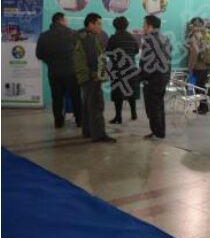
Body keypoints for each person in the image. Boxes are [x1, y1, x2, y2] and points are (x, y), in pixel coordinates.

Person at [74, 13, 115, 143]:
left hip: (86, 77)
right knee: (97, 106)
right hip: (92, 77)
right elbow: (94, 60)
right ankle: (99, 135)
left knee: (88, 106)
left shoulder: (82, 36)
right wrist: (99, 75)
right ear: (91, 24)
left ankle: (88, 132)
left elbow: (98, 57)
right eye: (98, 24)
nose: (100, 27)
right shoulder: (89, 38)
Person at [36, 12, 82, 129]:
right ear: (61, 20)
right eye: (65, 20)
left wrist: (50, 62)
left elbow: (39, 54)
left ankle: (58, 122)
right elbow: (79, 52)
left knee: (57, 98)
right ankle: (79, 120)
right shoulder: (72, 33)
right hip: (71, 72)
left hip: (54, 72)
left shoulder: (44, 36)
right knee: (75, 97)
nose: (67, 22)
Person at [140, 15, 172, 140]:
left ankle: (157, 133)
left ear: (150, 26)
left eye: (144, 25)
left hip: (152, 79)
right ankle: (159, 132)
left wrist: (142, 77)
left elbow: (147, 63)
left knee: (152, 107)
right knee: (159, 105)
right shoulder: (166, 39)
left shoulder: (149, 40)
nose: (143, 28)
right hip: (163, 77)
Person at [106, 16, 140, 124]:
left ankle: (118, 117)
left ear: (115, 26)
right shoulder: (132, 37)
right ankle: (134, 113)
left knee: (118, 94)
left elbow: (108, 52)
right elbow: (136, 51)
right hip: (131, 69)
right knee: (131, 92)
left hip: (118, 70)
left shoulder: (113, 38)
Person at [187, 17, 210, 115]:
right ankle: (203, 106)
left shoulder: (195, 37)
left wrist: (190, 68)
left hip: (198, 67)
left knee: (198, 87)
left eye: (192, 25)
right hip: (205, 66)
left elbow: (194, 55)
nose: (191, 27)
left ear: (195, 26)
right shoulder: (205, 35)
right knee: (201, 86)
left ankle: (204, 107)